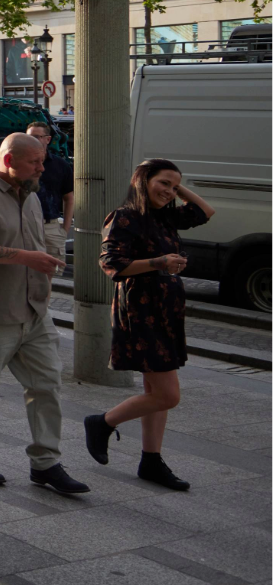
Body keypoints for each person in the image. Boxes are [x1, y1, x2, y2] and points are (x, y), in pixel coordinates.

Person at [0, 132, 89, 495]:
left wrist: (40, 269)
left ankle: (45, 463)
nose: (43, 168)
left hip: (34, 311)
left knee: (47, 386)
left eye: (42, 161)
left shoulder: (31, 198)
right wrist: (30, 258)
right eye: (35, 162)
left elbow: (37, 244)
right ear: (9, 160)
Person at [84, 159, 215, 491]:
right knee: (168, 395)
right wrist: (160, 262)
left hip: (165, 312)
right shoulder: (125, 217)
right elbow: (112, 264)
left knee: (155, 393)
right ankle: (101, 423)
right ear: (142, 180)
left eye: (174, 187)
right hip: (141, 311)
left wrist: (175, 187)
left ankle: (151, 460)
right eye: (163, 183)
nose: (170, 192)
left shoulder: (166, 216)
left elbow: (205, 211)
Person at [26, 121, 74, 264]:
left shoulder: (61, 166)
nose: (32, 141)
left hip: (51, 228)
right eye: (29, 137)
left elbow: (69, 198)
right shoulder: (17, 164)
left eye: (37, 137)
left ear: (48, 139)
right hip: (24, 226)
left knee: (53, 274)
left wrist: (64, 231)